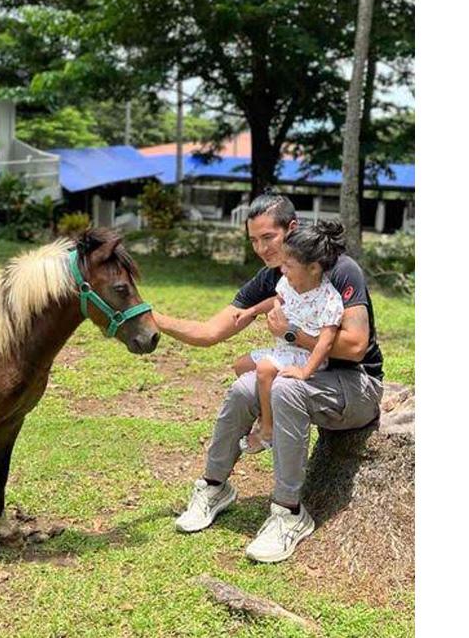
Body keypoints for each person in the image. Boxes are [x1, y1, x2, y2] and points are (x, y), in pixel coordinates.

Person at [151, 193, 384, 564]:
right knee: (244, 386)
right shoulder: (274, 278)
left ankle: (289, 513)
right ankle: (214, 486)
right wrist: (149, 317)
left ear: (291, 229)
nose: (261, 249)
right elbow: (210, 332)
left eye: (268, 238)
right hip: (308, 378)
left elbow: (355, 346)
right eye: (253, 241)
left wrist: (292, 334)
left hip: (356, 384)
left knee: (287, 389)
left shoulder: (339, 269)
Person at [234, 221, 346, 455]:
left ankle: (268, 430)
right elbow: (278, 299)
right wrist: (252, 311)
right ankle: (268, 410)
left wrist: (305, 372)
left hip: (306, 357)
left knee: (264, 369)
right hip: (285, 350)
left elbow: (325, 343)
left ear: (313, 268)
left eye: (288, 265)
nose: (282, 270)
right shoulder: (288, 283)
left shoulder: (329, 300)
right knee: (241, 365)